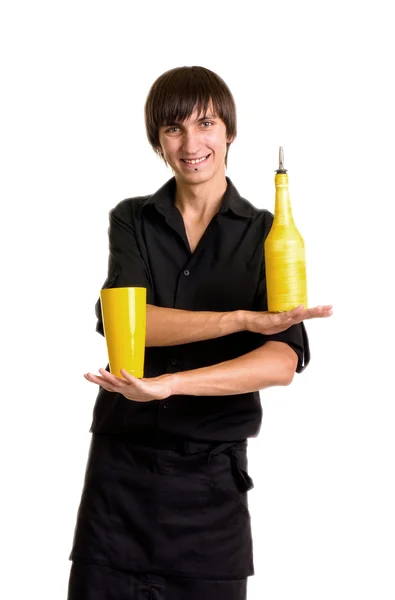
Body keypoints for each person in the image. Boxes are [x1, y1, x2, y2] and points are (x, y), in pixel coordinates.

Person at [67, 65, 332, 600]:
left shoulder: (268, 235)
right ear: (158, 142)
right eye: (174, 129)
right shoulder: (133, 220)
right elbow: (127, 328)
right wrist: (240, 320)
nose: (192, 143)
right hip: (119, 487)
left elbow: (281, 363)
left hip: (211, 494)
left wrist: (170, 384)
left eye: (206, 124)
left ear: (229, 132)